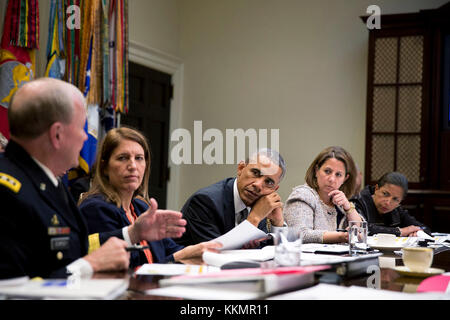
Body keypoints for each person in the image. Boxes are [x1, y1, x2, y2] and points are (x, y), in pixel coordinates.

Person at [0, 78, 186, 280]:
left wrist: (132, 233)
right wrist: (88, 266)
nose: (85, 138)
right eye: (81, 128)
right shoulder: (6, 193)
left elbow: (68, 246)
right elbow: (10, 289)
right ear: (57, 135)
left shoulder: (47, 183)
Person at [78, 127, 221, 267]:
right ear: (104, 167)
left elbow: (170, 250)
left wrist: (197, 250)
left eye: (139, 158)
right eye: (123, 158)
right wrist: (180, 257)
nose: (133, 166)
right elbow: (126, 268)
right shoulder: (96, 209)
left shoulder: (141, 207)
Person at [176, 148, 287, 247]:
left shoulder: (261, 202)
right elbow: (215, 255)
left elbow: (271, 253)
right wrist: (254, 218)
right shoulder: (205, 201)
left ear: (274, 189)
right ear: (241, 168)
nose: (258, 185)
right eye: (255, 173)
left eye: (268, 182)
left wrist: (277, 224)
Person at [284, 146, 363, 244]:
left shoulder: (340, 201)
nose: (331, 179)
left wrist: (348, 208)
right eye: (327, 171)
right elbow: (300, 235)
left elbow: (362, 230)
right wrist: (342, 237)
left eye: (338, 175)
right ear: (316, 170)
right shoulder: (302, 195)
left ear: (345, 179)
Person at [350, 171, 431, 237]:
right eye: (385, 194)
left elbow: (424, 228)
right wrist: (399, 232)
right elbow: (362, 228)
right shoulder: (358, 201)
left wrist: (418, 232)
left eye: (395, 199)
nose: (388, 202)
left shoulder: (397, 210)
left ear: (400, 201)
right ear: (376, 188)